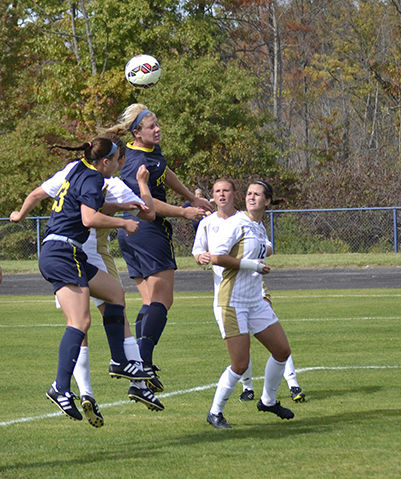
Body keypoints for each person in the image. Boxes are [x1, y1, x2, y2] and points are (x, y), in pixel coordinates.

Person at [10, 135, 164, 423]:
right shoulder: (95, 179)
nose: (120, 165)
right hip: (63, 252)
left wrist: (20, 213)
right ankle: (60, 388)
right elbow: (89, 219)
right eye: (118, 160)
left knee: (116, 294)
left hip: (64, 251)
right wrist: (123, 222)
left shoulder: (74, 168)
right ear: (105, 162)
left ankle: (119, 361)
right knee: (80, 323)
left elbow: (40, 194)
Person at [103, 104, 212, 393]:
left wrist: (191, 197)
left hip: (135, 234)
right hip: (146, 231)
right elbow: (145, 203)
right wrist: (183, 211)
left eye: (157, 124)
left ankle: (139, 369)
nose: (157, 129)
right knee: (164, 301)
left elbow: (165, 172)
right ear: (136, 133)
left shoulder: (151, 153)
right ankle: (144, 364)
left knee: (151, 303)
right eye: (151, 126)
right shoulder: (133, 160)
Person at [193, 179, 295, 429]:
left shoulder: (258, 226)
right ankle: (215, 412)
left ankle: (268, 401)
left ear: (267, 201)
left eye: (257, 194)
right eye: (249, 193)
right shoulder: (237, 223)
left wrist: (256, 267)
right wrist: (253, 266)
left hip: (255, 300)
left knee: (282, 351)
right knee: (240, 364)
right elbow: (216, 257)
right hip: (232, 301)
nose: (251, 197)